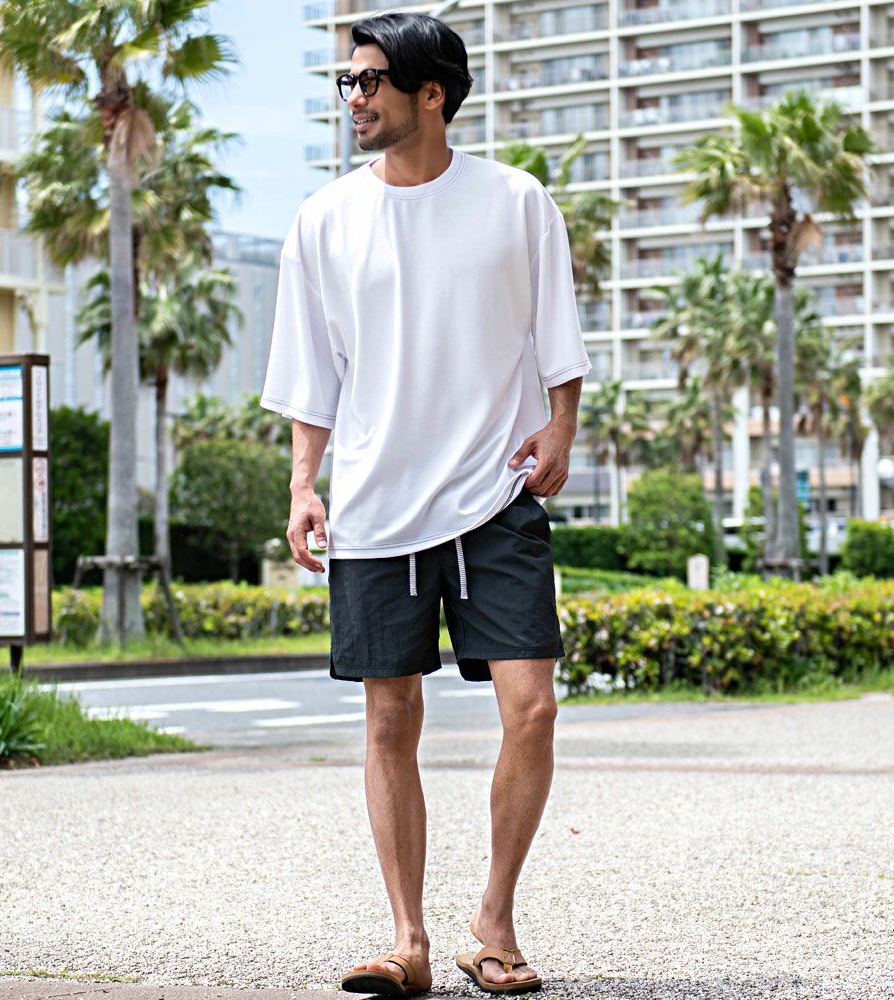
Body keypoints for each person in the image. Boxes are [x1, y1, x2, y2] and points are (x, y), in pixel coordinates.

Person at [260, 11, 591, 997]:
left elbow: (559, 335)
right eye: (348, 82)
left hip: (496, 493)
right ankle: (407, 941)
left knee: (532, 709)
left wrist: (561, 427)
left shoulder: (515, 201)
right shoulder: (324, 219)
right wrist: (303, 484)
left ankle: (493, 921)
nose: (354, 97)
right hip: (375, 506)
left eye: (371, 81)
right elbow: (312, 376)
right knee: (388, 719)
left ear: (431, 92)